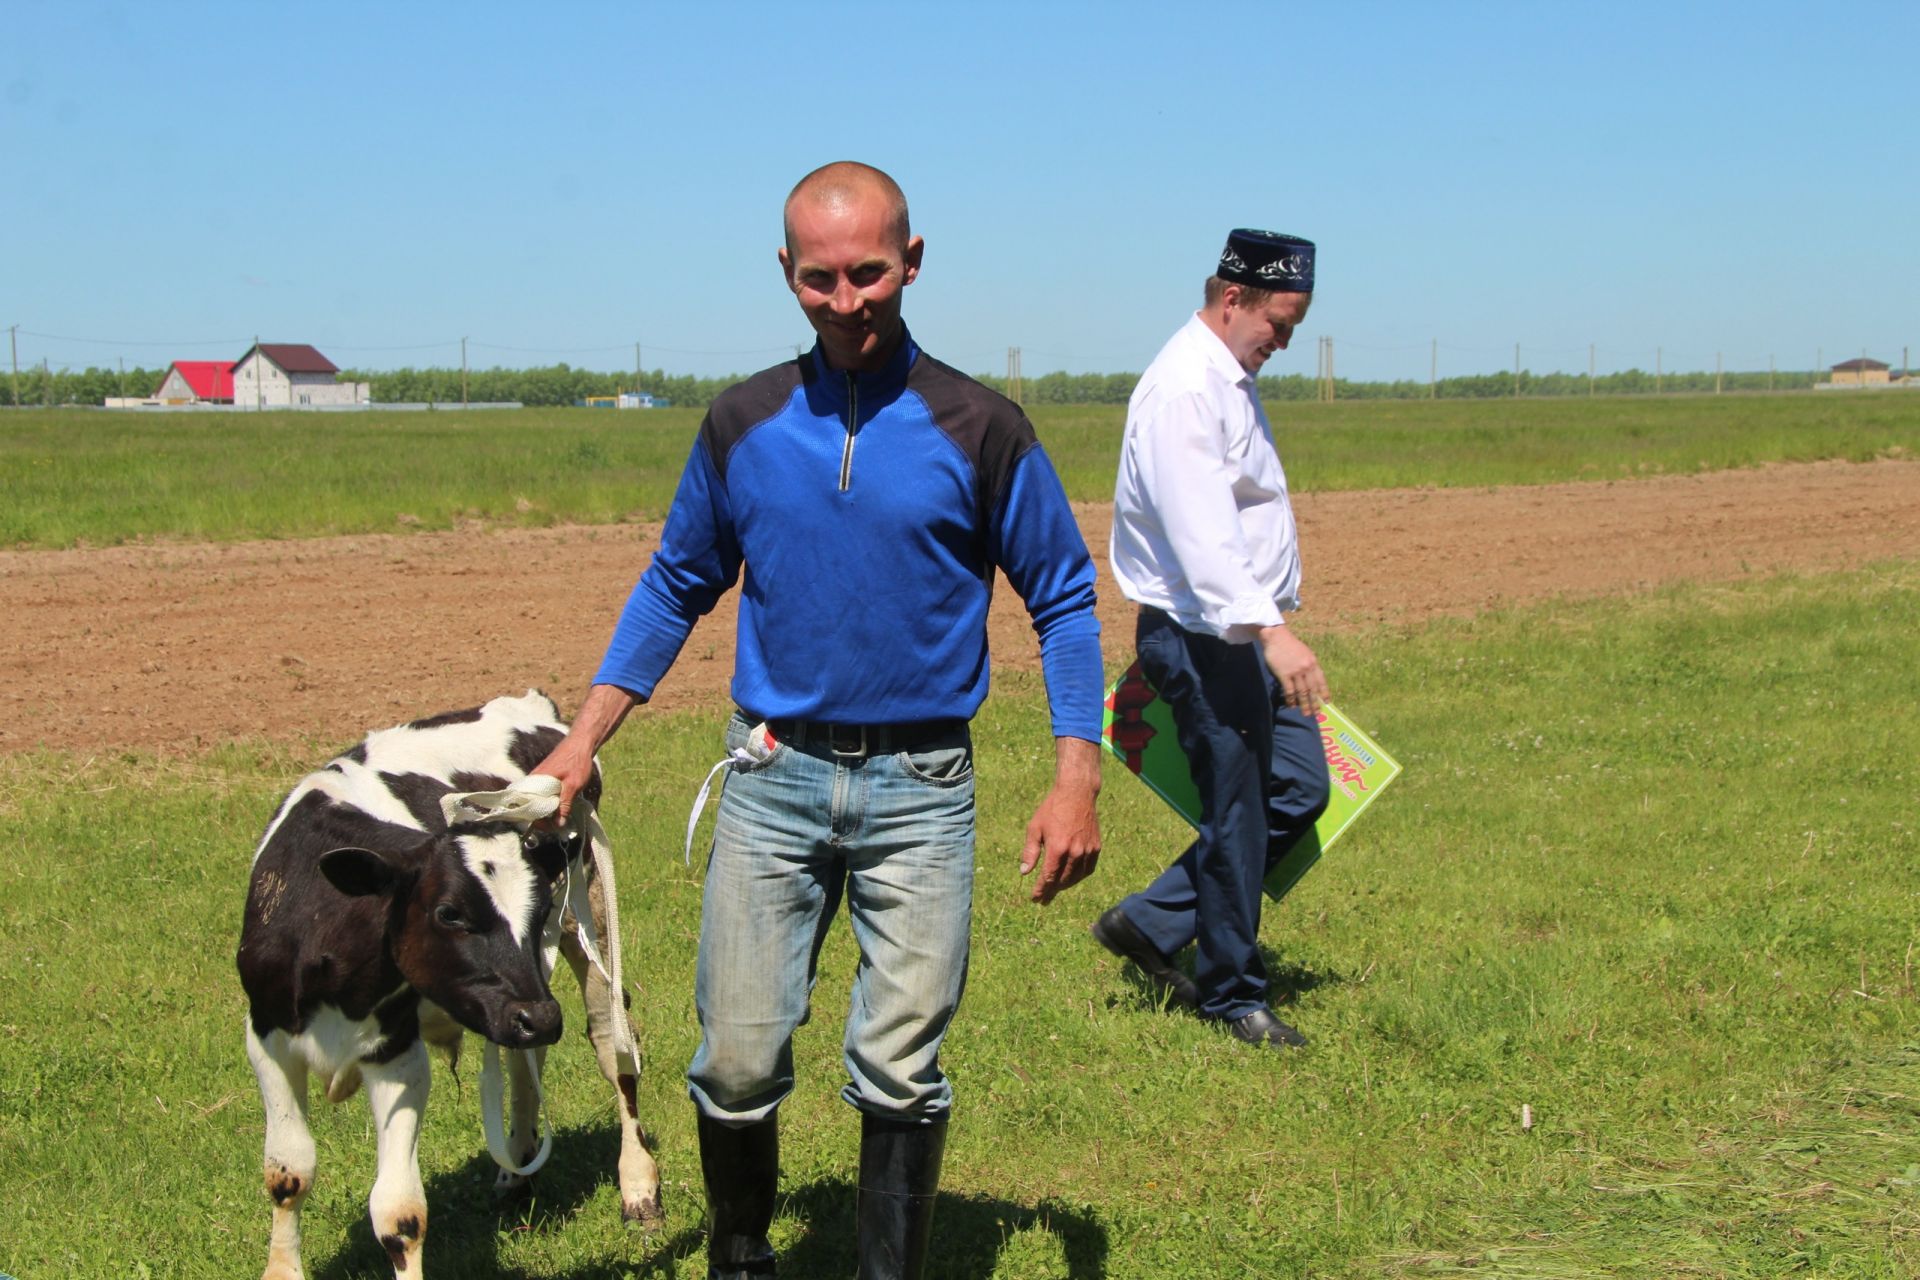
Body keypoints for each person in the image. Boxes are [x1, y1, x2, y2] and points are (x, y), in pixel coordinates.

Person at [532, 161, 1104, 1280]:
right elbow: (673, 583)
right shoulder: (742, 422)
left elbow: (1068, 597)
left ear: (915, 261)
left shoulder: (981, 425)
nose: (849, 302)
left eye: (871, 273)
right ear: (787, 274)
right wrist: (584, 734)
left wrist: (1075, 774)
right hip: (774, 777)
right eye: (820, 278)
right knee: (737, 1059)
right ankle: (742, 1260)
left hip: (923, 790)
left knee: (900, 1065)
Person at [1094, 229, 1331, 1050]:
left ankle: (1153, 923)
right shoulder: (1185, 389)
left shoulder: (1228, 377)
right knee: (1237, 819)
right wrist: (1272, 632)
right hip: (1206, 638)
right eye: (1280, 322)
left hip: (1240, 632)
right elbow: (1201, 534)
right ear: (1233, 299)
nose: (1285, 341)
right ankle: (1232, 996)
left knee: (1299, 790)